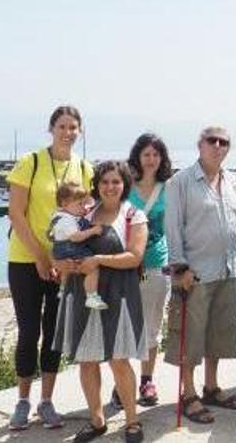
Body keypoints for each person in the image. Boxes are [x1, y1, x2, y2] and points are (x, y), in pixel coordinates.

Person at [5, 105, 93, 431]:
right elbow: (15, 213)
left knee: (54, 333)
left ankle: (46, 401)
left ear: (79, 131)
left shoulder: (84, 168)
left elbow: (91, 213)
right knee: (29, 332)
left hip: (65, 264)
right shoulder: (31, 162)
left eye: (73, 127)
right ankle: (22, 402)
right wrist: (42, 257)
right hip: (26, 260)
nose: (68, 132)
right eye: (62, 126)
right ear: (51, 128)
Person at [51, 160, 148, 443]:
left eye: (116, 181)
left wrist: (97, 260)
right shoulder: (83, 213)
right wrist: (63, 263)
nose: (110, 187)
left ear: (124, 184)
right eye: (105, 181)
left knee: (119, 360)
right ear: (97, 185)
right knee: (88, 360)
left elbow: (135, 256)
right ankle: (97, 420)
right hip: (84, 294)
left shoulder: (133, 216)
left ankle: (132, 421)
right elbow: (59, 249)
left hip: (119, 294)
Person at [164, 126, 236, 424]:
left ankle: (211, 386)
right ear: (200, 144)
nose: (218, 146)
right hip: (195, 273)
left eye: (224, 141)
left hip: (228, 268)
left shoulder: (233, 182)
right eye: (212, 140)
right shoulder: (180, 182)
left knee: (220, 333)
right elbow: (172, 228)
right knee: (190, 337)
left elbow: (235, 224)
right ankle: (189, 393)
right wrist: (180, 268)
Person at [126, 133, 172, 407]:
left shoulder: (169, 188)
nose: (151, 159)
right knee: (125, 325)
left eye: (156, 154)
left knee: (152, 326)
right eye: (146, 154)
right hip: (127, 265)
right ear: (138, 157)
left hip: (158, 263)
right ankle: (123, 382)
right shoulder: (125, 186)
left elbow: (177, 225)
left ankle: (146, 380)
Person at [50, 182, 106, 310]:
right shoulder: (67, 220)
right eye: (80, 204)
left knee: (66, 270)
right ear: (64, 204)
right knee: (93, 268)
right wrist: (93, 231)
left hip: (59, 249)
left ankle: (63, 289)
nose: (83, 207)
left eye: (84, 204)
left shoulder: (58, 216)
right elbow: (75, 237)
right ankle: (91, 296)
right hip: (70, 247)